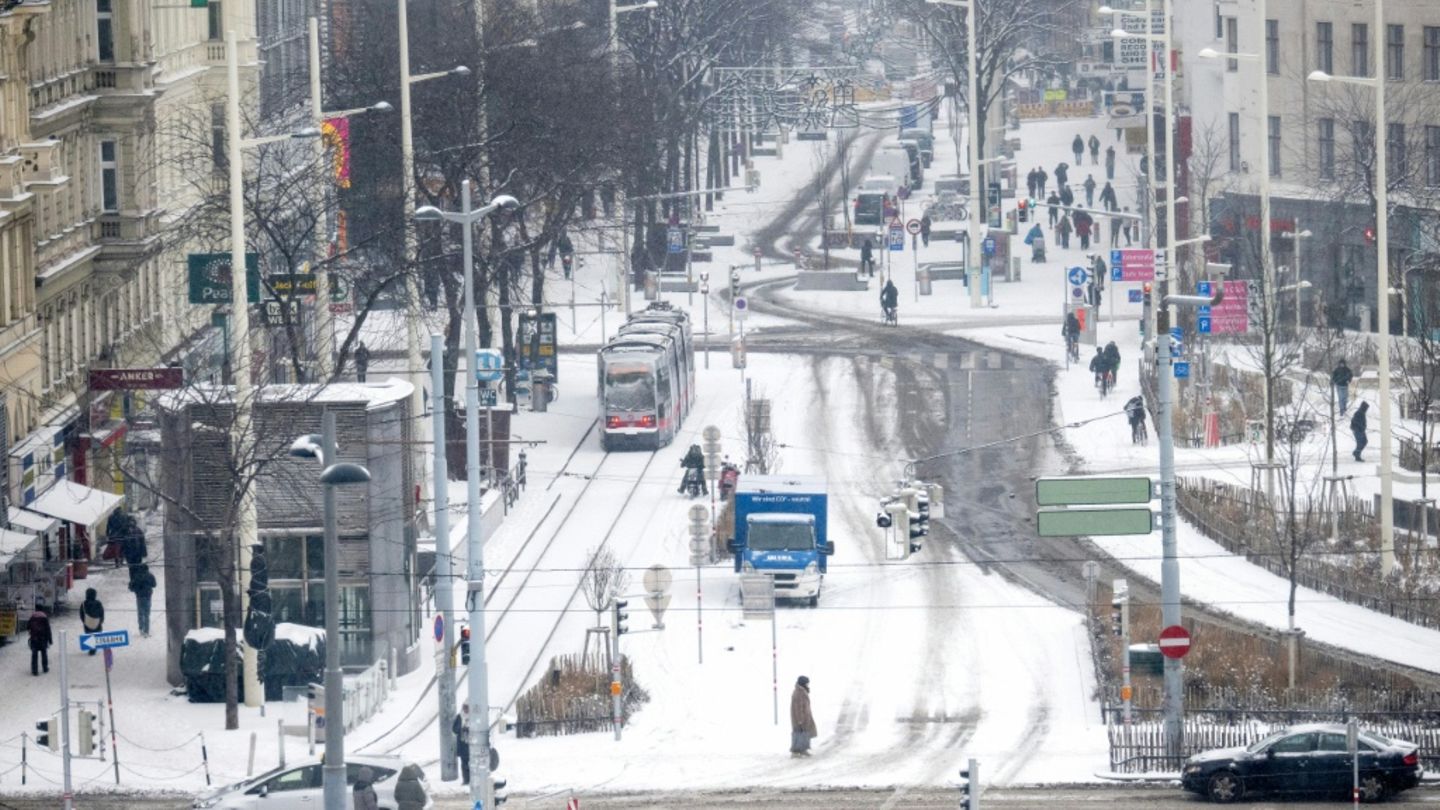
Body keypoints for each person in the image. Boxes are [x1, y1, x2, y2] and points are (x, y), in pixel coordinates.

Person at [790, 675, 818, 757]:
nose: (808, 685)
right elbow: (798, 708)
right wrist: (800, 720)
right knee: (799, 734)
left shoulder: (802, 691)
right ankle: (795, 752)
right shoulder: (799, 693)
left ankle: (803, 750)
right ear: (803, 684)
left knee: (804, 734)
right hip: (800, 719)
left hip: (804, 718)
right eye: (806, 683)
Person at [129, 563, 157, 637]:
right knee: (147, 614)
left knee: (140, 613)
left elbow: (131, 587)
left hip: (139, 596)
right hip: (148, 596)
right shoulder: (150, 576)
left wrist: (136, 590)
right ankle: (146, 630)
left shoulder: (136, 576)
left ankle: (141, 628)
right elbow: (154, 585)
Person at [28, 605, 52, 676]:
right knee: (44, 654)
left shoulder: (32, 616)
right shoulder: (45, 617)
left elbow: (28, 626)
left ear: (36, 609)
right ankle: (45, 668)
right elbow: (48, 629)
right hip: (43, 639)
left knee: (34, 655)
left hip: (34, 638)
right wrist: (50, 640)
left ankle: (34, 670)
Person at [81, 587, 104, 655]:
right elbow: (101, 613)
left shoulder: (83, 604)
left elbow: (81, 615)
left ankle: (91, 649)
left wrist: (85, 622)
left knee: (90, 636)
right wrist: (100, 621)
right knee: (96, 636)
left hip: (87, 625)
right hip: (97, 625)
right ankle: (94, 648)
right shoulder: (98, 603)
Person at [453, 705, 471, 784]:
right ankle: (466, 780)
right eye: (465, 708)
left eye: (467, 708)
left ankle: (471, 779)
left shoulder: (473, 716)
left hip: (471, 744)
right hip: (462, 744)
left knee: (472, 763)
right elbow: (454, 729)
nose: (466, 710)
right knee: (464, 763)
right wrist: (461, 728)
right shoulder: (459, 717)